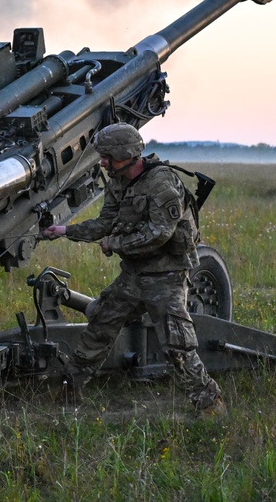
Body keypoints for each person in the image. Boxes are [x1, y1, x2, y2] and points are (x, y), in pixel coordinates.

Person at [42, 122, 223, 413]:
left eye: (107, 156)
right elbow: (106, 222)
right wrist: (63, 231)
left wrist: (115, 244)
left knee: (178, 346)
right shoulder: (118, 181)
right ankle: (68, 392)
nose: (102, 162)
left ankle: (209, 404)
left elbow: (159, 233)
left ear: (126, 154)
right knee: (100, 323)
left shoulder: (162, 184)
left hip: (166, 276)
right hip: (135, 275)